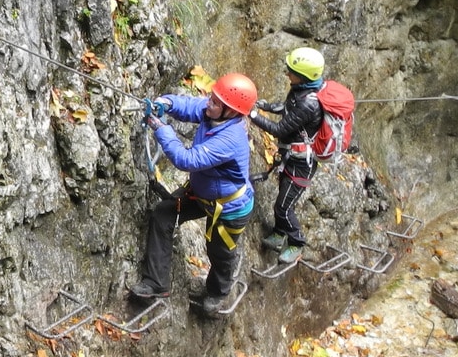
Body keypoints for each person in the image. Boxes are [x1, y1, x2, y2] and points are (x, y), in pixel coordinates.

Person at [130, 73, 257, 317]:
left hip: (229, 208)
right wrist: (166, 103)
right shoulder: (215, 112)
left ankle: (218, 292)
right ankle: (156, 283)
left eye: (216, 102)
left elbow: (186, 159)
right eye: (212, 97)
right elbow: (189, 106)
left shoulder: (231, 139)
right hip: (201, 194)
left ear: (230, 111)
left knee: (219, 251)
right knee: (163, 214)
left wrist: (161, 128)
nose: (209, 102)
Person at [249, 46, 325, 265]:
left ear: (302, 76)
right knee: (282, 198)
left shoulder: (310, 104)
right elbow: (286, 107)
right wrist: (266, 106)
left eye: (291, 70)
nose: (287, 73)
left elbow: (280, 130)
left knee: (283, 206)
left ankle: (297, 242)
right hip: (290, 158)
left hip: (302, 165)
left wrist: (252, 113)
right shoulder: (300, 90)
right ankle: (279, 233)